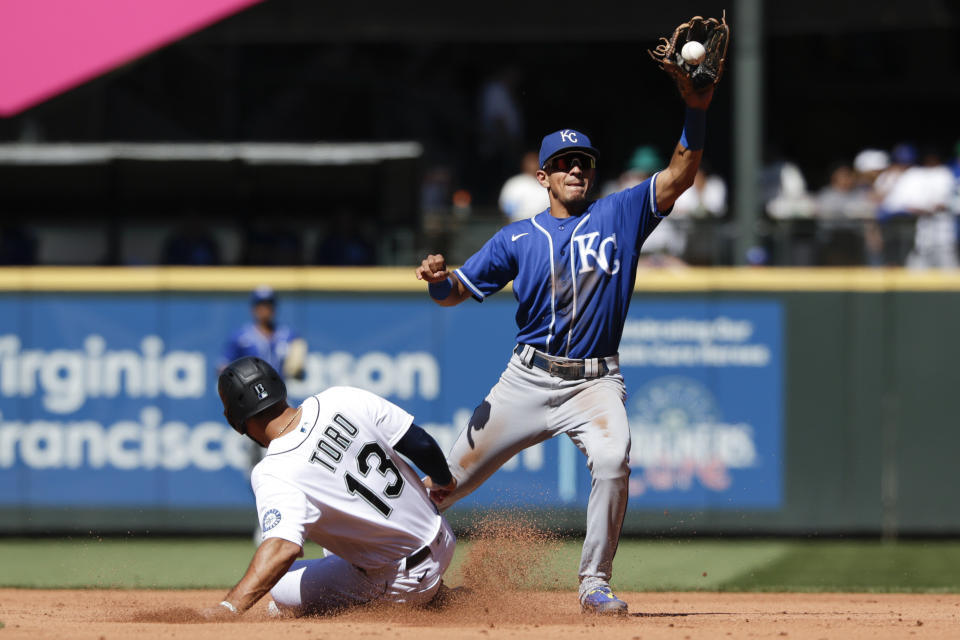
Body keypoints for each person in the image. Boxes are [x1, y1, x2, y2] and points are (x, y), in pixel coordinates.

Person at [414, 79, 716, 614]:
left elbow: (679, 175)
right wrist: (438, 279)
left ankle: (594, 584)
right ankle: (379, 561)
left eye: (584, 162)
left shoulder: (621, 214)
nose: (577, 169)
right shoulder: (516, 237)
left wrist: (695, 108)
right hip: (527, 380)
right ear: (544, 176)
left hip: (595, 382)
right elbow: (454, 293)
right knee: (443, 482)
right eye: (565, 163)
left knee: (613, 458)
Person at [202, 356, 458, 619]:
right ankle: (438, 594)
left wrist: (229, 607)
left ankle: (425, 601)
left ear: (236, 421)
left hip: (405, 582)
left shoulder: (273, 470)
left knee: (280, 588)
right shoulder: (340, 398)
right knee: (333, 535)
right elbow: (421, 443)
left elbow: (282, 548)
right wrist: (443, 479)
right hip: (443, 538)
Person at [220, 285, 307, 381]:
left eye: (268, 304)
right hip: (250, 392)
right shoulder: (241, 338)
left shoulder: (288, 336)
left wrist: (297, 371)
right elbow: (222, 368)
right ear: (254, 308)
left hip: (279, 393)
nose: (265, 309)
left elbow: (298, 374)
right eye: (261, 304)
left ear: (274, 307)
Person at [498, 151, 550, 222]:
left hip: (542, 225)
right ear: (524, 164)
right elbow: (505, 207)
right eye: (530, 162)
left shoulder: (547, 183)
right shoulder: (514, 183)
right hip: (518, 224)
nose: (532, 165)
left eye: (535, 161)